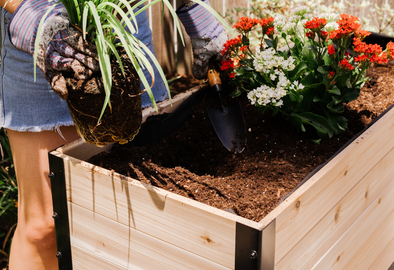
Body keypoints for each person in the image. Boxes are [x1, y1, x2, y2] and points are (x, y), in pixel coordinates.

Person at [0, 0, 226, 269]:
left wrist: (193, 7)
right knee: (45, 228)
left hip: (123, 26)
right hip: (46, 31)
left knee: (136, 211)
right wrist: (26, 11)